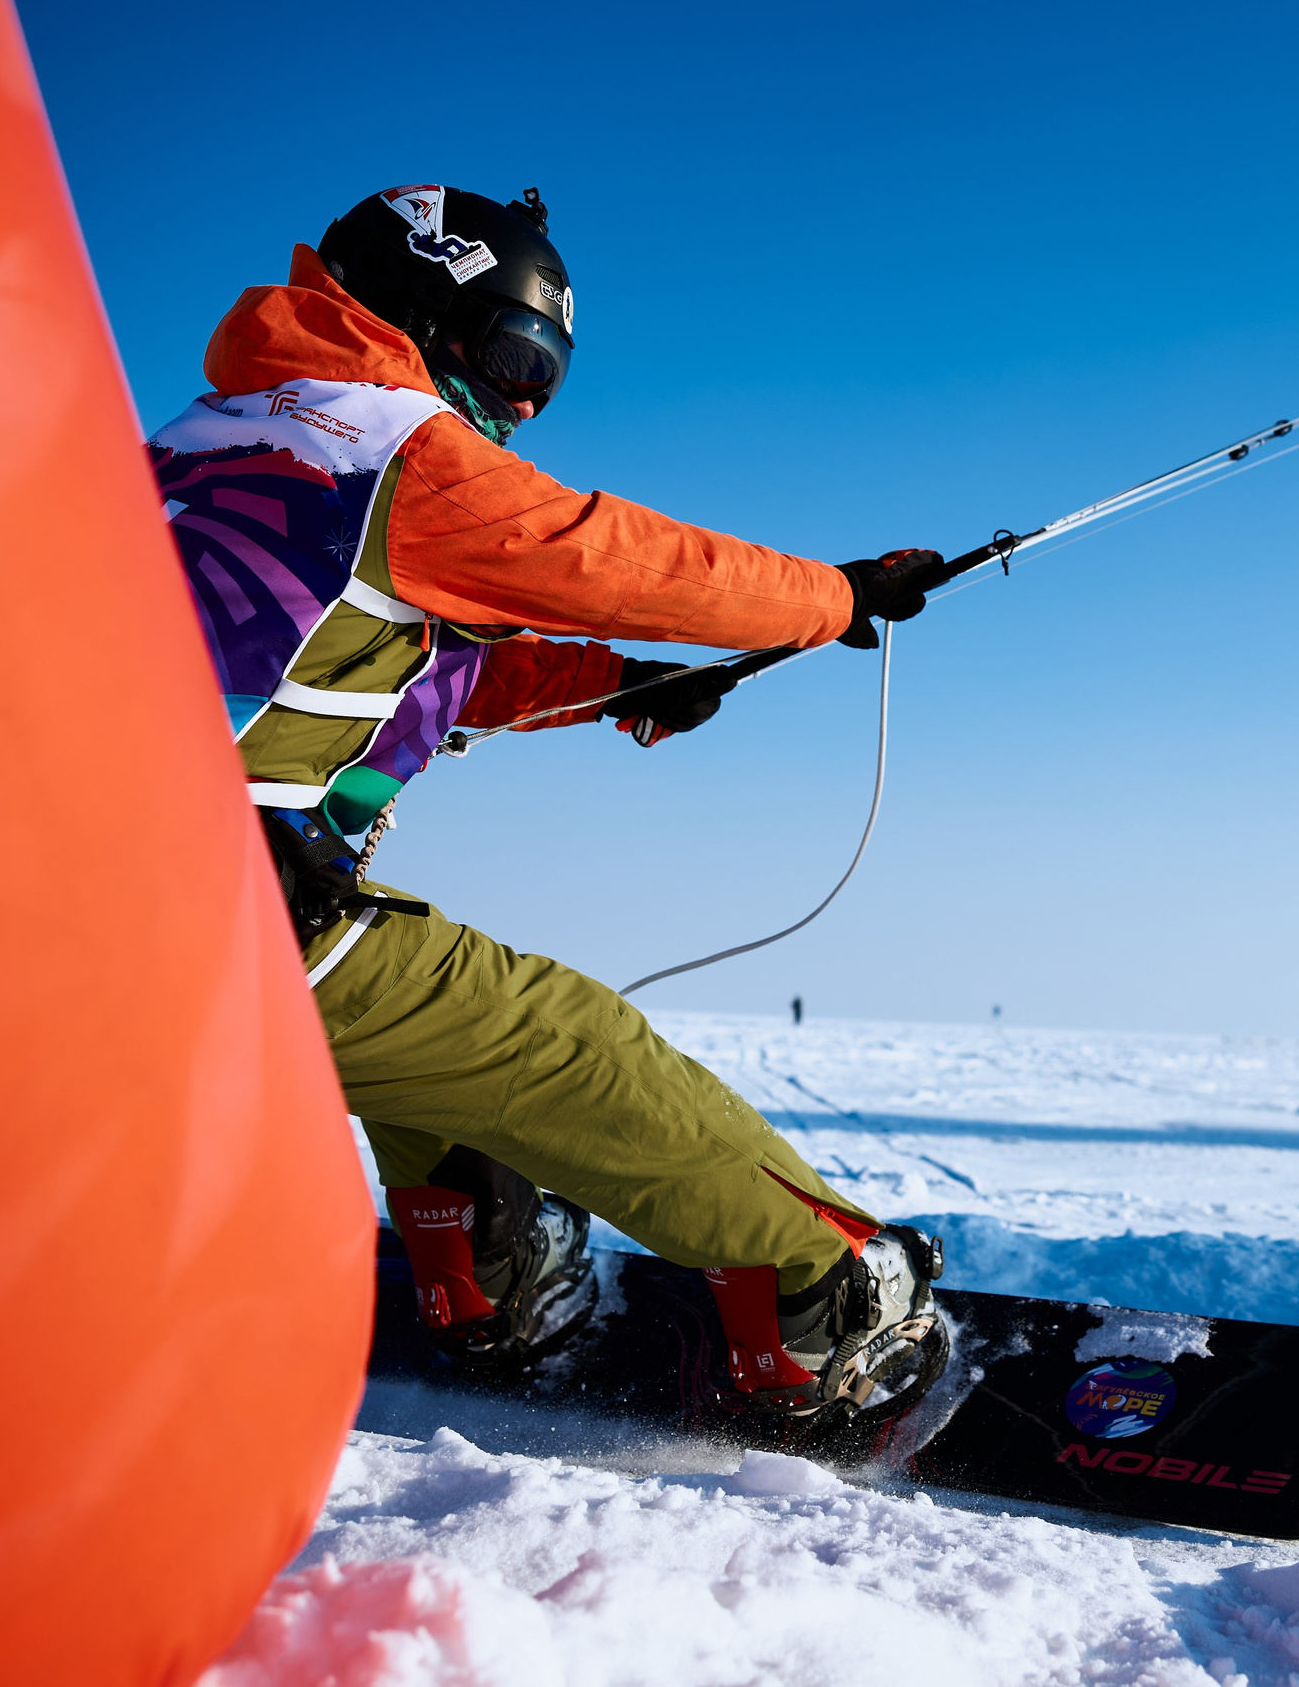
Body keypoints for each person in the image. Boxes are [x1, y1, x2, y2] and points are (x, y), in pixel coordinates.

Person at [147, 185, 946, 1417]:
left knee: (427, 1054)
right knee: (566, 1042)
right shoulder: (387, 445)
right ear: (424, 312)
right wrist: (833, 599)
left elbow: (384, 662)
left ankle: (485, 1284)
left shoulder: (209, 441)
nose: (522, 404)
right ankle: (820, 1310)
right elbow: (614, 557)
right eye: (518, 357)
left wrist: (621, 685)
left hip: (132, 894)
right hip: (204, 913)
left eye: (547, 379)